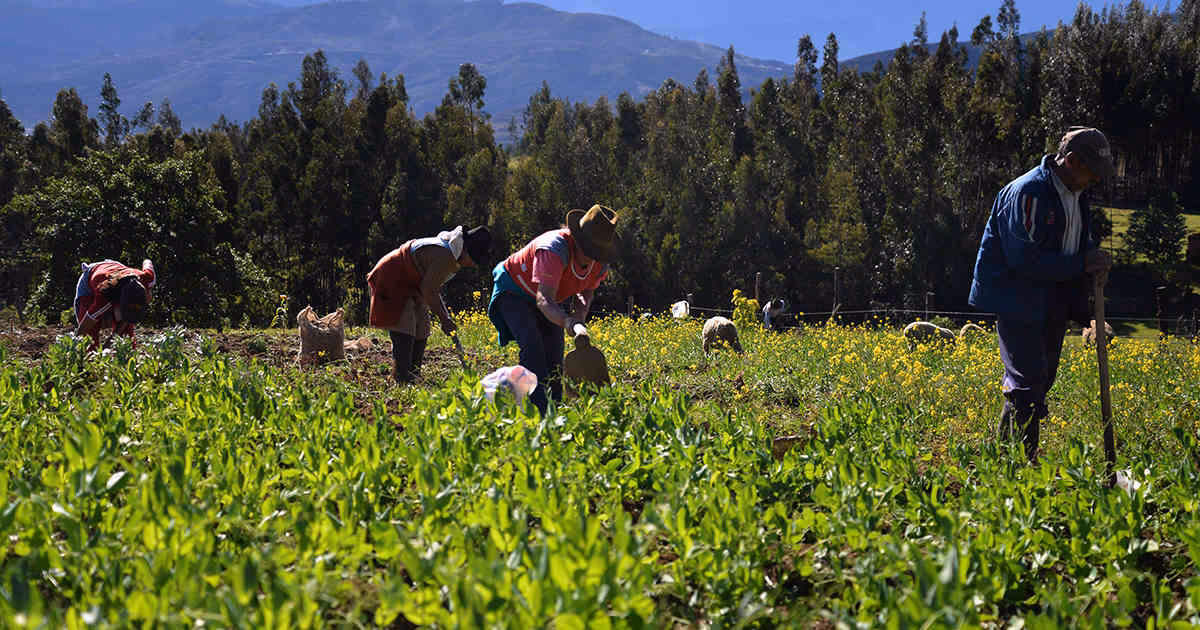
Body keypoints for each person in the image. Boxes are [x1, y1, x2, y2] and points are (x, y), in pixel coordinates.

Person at [968, 126, 1116, 462]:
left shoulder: (1077, 195)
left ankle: (1010, 455)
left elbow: (1074, 244)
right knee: (1028, 378)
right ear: (1072, 160)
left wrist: (1092, 264)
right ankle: (1018, 462)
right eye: (1092, 172)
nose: (1096, 180)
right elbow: (1025, 261)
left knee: (1041, 379)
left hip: (1052, 298)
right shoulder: (1029, 194)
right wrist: (1082, 263)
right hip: (1015, 296)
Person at [488, 204, 618, 414]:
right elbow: (544, 299)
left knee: (555, 359)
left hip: (550, 298)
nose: (592, 256)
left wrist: (579, 315)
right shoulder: (554, 249)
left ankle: (554, 412)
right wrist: (567, 321)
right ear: (577, 239)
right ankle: (532, 412)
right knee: (533, 348)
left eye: (597, 252)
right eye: (589, 250)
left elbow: (586, 292)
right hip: (515, 290)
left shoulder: (600, 263)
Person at [367, 225, 491, 383]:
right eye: (473, 260)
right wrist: (444, 319)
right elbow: (428, 289)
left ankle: (414, 375)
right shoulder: (446, 256)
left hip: (413, 285)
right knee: (405, 325)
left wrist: (444, 317)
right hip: (393, 278)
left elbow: (432, 289)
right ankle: (402, 378)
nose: (472, 265)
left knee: (423, 326)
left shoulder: (452, 257)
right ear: (466, 250)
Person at [74, 258, 156, 352]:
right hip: (92, 277)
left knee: (126, 340)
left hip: (118, 270)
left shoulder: (147, 278)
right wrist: (71, 348)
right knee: (89, 338)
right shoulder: (104, 297)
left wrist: (110, 341)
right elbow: (84, 327)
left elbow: (147, 261)